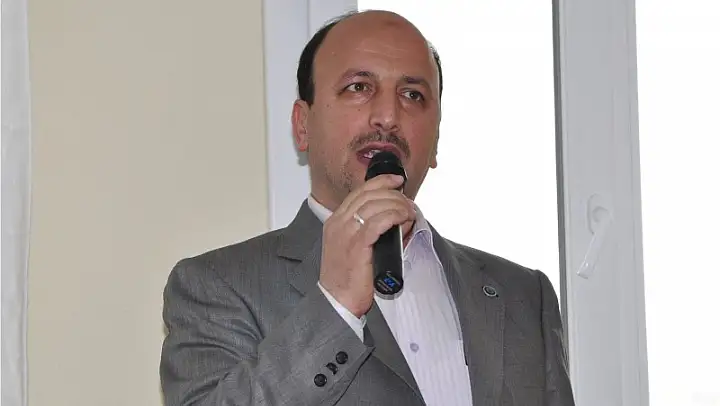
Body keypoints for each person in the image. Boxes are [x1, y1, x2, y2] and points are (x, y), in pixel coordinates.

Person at [160, 9, 575, 406]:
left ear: (436, 139)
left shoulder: (524, 296)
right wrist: (335, 305)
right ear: (302, 126)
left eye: (412, 95)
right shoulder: (216, 286)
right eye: (359, 87)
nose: (388, 116)